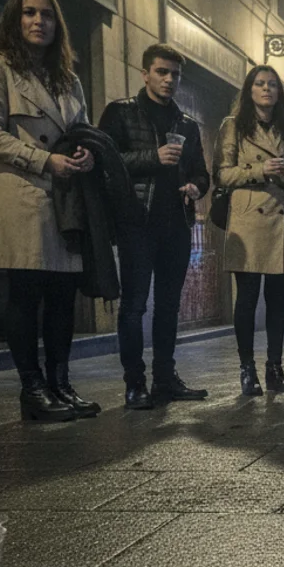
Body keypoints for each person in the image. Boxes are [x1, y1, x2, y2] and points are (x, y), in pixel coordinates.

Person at [0, 0, 97, 422]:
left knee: (63, 296)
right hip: (23, 193)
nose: (38, 21)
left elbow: (82, 132)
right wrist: (44, 159)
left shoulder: (69, 78)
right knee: (26, 294)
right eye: (28, 12)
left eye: (46, 14)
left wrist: (86, 155)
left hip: (64, 201)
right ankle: (32, 389)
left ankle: (60, 383)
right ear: (15, 19)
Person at [98, 44, 210, 410]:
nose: (169, 80)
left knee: (168, 306)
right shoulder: (120, 113)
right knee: (133, 306)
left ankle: (165, 378)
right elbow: (106, 163)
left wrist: (196, 187)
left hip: (176, 224)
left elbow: (201, 173)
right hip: (136, 223)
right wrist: (153, 157)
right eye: (162, 72)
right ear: (145, 73)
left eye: (175, 74)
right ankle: (135, 384)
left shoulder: (186, 124)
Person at [214, 65, 284, 396]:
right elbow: (222, 175)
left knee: (278, 300)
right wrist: (260, 169)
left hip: (282, 220)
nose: (266, 89)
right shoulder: (233, 127)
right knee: (248, 299)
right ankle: (247, 369)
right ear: (249, 90)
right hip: (249, 219)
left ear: (279, 93)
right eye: (259, 84)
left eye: (272, 85)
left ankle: (275, 369)